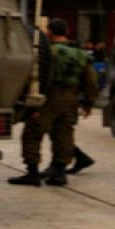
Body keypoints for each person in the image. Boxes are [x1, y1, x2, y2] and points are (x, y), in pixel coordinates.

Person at [9, 18, 97, 187]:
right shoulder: (81, 54)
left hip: (49, 97)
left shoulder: (48, 52)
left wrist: (31, 103)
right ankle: (59, 172)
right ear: (66, 32)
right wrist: (88, 103)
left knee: (33, 132)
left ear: (49, 32)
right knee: (64, 134)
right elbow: (90, 81)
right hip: (71, 98)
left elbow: (39, 76)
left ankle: (32, 172)